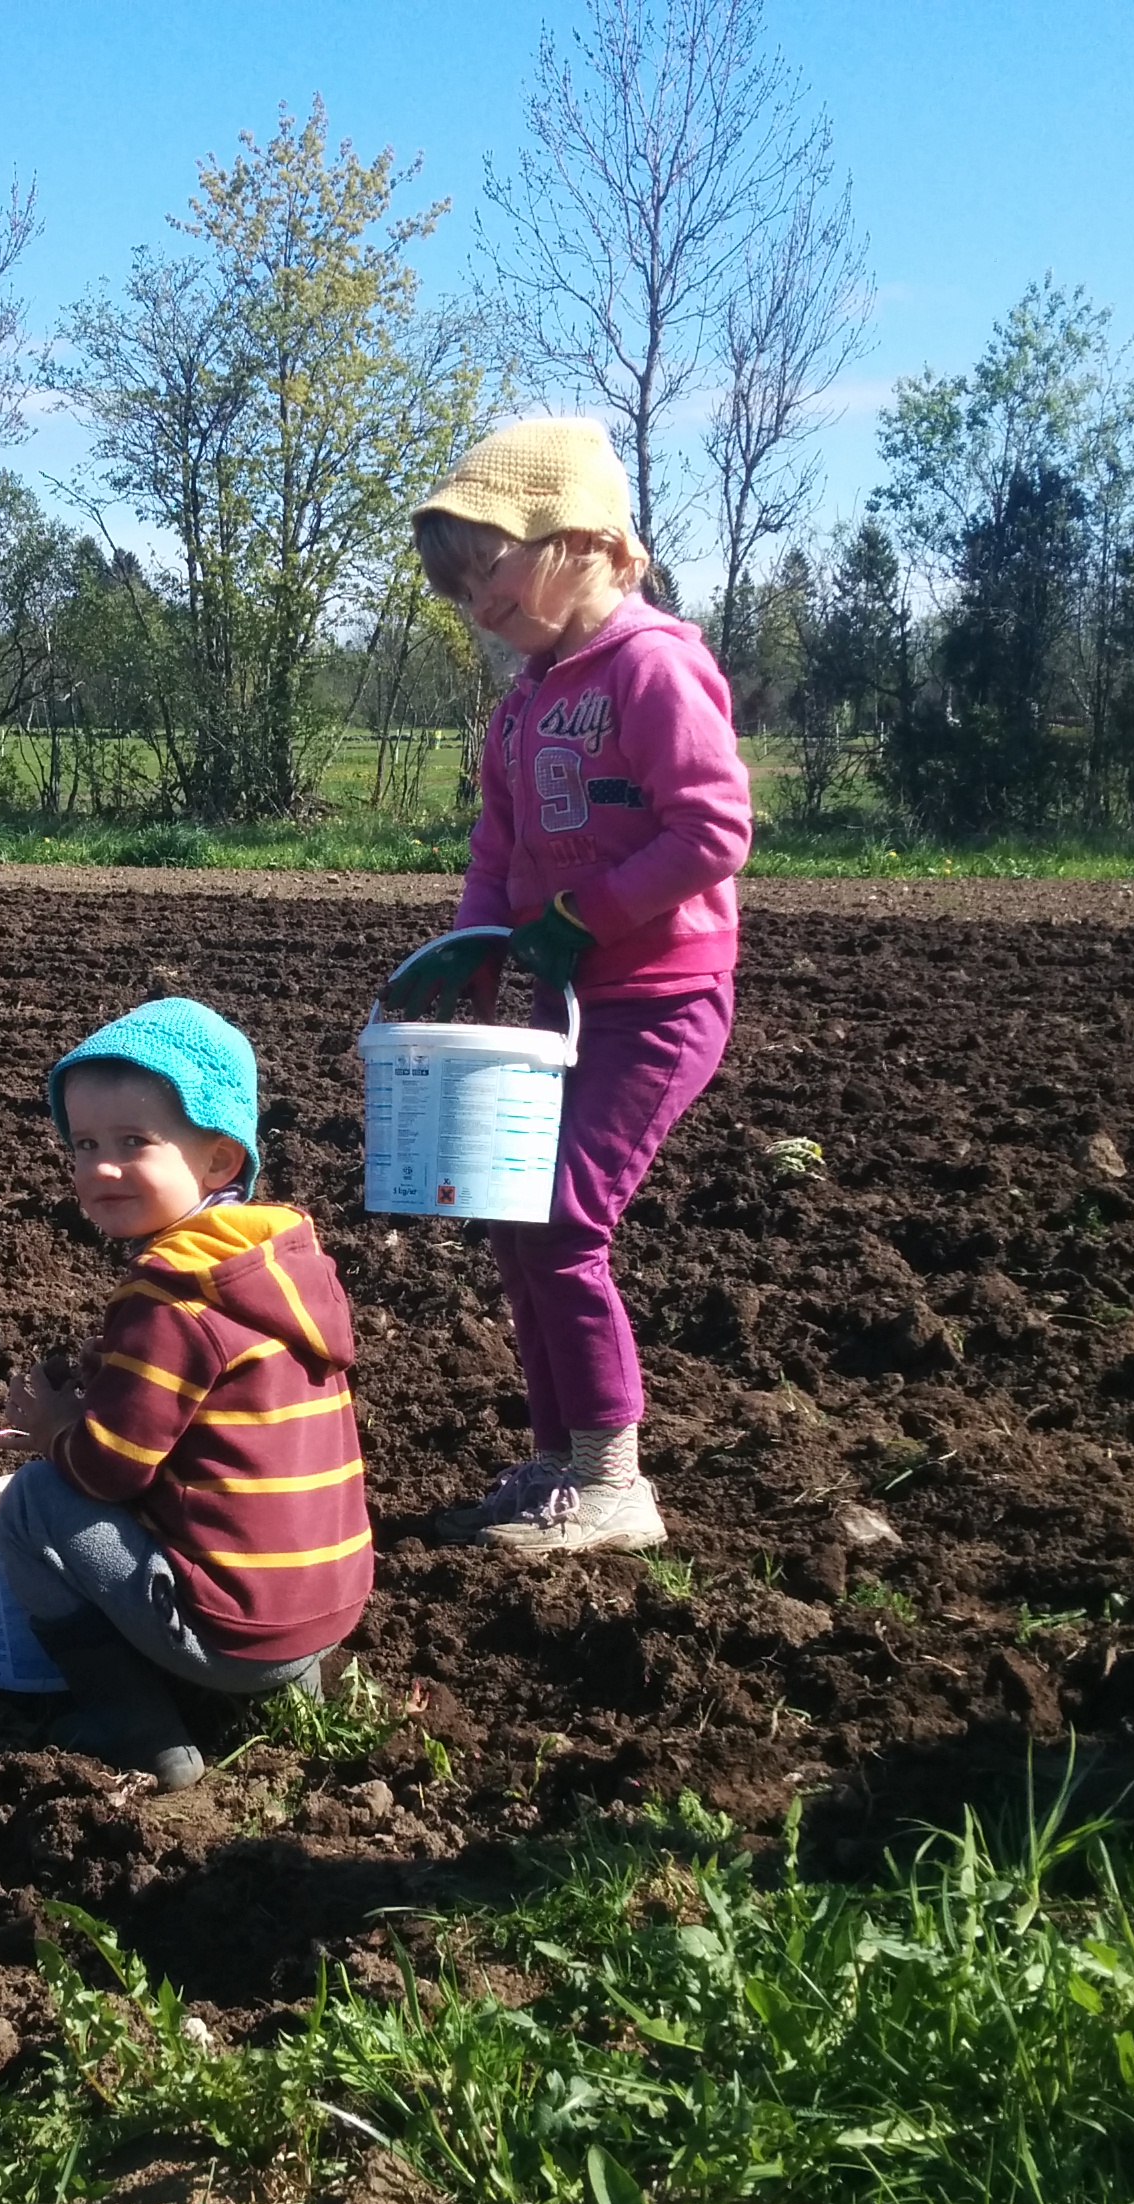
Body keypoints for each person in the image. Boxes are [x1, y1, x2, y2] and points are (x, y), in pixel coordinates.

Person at [385, 417, 752, 1554]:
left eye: (486, 570)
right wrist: (473, 951)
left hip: (662, 995)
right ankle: (554, 1466)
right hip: (567, 1003)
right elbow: (497, 849)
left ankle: (614, 1483)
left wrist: (580, 920)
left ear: (580, 538)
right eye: (456, 590)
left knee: (562, 1218)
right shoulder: (524, 704)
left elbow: (713, 829)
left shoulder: (653, 666)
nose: (473, 605)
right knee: (512, 1219)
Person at [0, 998, 372, 1791]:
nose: (99, 1168)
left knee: (28, 1504)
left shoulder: (172, 1299)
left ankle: (137, 1731)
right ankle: (289, 1695)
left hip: (232, 1638)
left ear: (220, 1161)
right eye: (84, 1144)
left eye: (134, 1143)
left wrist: (53, 1424)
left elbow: (108, 1473)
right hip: (326, 1613)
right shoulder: (279, 1267)